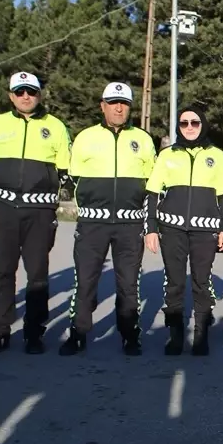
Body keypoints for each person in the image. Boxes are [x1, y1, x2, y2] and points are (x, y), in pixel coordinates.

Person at [0, 72, 72, 354]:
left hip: (39, 212)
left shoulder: (55, 126)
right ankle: (0, 329)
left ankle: (34, 332)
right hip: (4, 209)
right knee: (2, 272)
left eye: (31, 91)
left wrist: (49, 195)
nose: (26, 96)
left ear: (39, 93)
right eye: (20, 92)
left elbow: (65, 172)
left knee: (38, 274)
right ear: (11, 96)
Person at [60, 82, 156, 356]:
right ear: (102, 105)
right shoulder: (85, 137)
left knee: (128, 283)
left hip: (130, 224)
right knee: (85, 280)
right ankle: (78, 333)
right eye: (112, 102)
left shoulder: (143, 139)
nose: (118, 107)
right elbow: (74, 176)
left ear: (129, 108)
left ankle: (129, 335)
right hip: (93, 224)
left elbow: (152, 184)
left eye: (123, 103)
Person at [144, 106, 223, 356]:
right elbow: (152, 193)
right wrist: (150, 228)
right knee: (173, 283)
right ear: (178, 127)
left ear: (203, 124)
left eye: (195, 122)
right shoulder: (166, 155)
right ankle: (175, 336)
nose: (190, 127)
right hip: (171, 229)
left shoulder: (216, 155)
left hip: (204, 232)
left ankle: (201, 334)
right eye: (184, 123)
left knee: (201, 282)